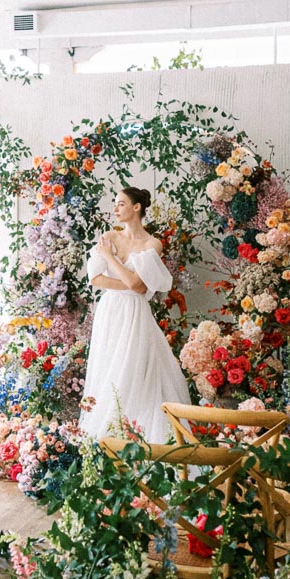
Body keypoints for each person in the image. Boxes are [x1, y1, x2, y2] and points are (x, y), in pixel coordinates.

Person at [80, 186, 190, 444]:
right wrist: (130, 283)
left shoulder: (153, 244)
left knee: (136, 367)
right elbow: (96, 278)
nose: (115, 208)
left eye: (120, 203)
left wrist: (110, 258)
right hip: (110, 311)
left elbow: (138, 286)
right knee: (109, 367)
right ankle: (108, 438)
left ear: (136, 207)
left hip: (135, 314)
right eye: (115, 203)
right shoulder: (109, 236)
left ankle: (138, 436)